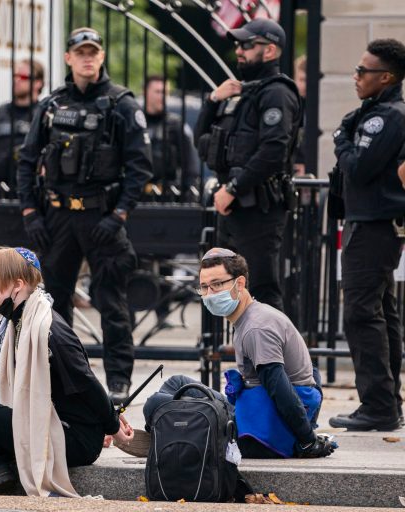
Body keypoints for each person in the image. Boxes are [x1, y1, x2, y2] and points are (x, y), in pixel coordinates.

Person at [17, 27, 152, 404]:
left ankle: (118, 384)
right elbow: (27, 162)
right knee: (53, 303)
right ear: (68, 58)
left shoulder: (121, 104)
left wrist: (120, 215)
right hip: (57, 218)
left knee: (111, 301)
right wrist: (31, 212)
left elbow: (140, 168)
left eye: (94, 52)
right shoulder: (51, 106)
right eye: (81, 52)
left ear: (102, 57)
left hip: (102, 216)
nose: (87, 58)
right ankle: (62, 379)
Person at [0, 247, 133, 496]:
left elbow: (87, 383)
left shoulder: (49, 331)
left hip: (74, 438)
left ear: (17, 284)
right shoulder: (19, 320)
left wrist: (111, 425)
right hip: (43, 418)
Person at [143, 248, 336, 459]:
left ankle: (168, 435)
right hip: (257, 410)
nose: (209, 294)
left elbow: (280, 388)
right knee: (177, 383)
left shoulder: (256, 328)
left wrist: (308, 441)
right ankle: (165, 433)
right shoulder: (251, 315)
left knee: (155, 404)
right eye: (204, 287)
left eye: (217, 285)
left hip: (262, 429)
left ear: (240, 283)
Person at [194, 18, 301, 312]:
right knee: (233, 293)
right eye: (239, 45)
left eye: (247, 45)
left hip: (260, 207)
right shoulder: (244, 93)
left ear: (269, 51)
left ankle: (271, 359)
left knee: (262, 290)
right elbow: (202, 142)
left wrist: (232, 188)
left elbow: (273, 151)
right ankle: (247, 355)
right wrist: (213, 100)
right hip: (237, 206)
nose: (239, 51)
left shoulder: (276, 93)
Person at [328, 39, 405, 432]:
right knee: (381, 311)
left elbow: (358, 167)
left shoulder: (386, 117)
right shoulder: (377, 112)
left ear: (386, 77)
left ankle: (377, 405)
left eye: (363, 71)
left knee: (361, 314)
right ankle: (387, 402)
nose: (356, 77)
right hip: (372, 223)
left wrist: (341, 138)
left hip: (373, 224)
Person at [0, 59, 44, 200]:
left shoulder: (43, 114)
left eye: (23, 77)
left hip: (34, 196)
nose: (17, 80)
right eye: (15, 76)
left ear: (38, 83)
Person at [143, 75, 199, 202]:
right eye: (158, 92)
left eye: (165, 92)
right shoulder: (136, 122)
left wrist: (189, 194)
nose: (162, 96)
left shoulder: (175, 124)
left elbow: (190, 165)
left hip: (168, 195)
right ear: (145, 92)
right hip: (138, 195)